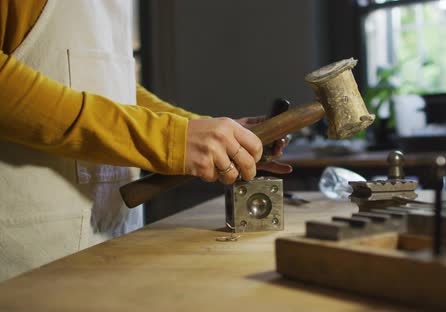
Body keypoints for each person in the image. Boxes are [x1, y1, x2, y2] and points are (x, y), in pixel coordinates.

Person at [0, 0, 291, 281]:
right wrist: (169, 140)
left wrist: (208, 133)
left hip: (109, 244)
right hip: (23, 264)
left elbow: (102, 83)